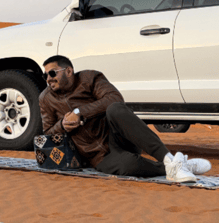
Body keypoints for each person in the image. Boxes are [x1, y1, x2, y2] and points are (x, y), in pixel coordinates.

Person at [39, 55, 211, 183]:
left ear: (68, 71)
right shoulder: (45, 98)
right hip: (97, 155)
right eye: (45, 75)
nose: (48, 79)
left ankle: (167, 157)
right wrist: (62, 125)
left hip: (119, 136)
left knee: (115, 109)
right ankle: (176, 165)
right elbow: (47, 133)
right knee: (128, 166)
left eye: (52, 73)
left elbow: (114, 98)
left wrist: (80, 112)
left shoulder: (90, 78)